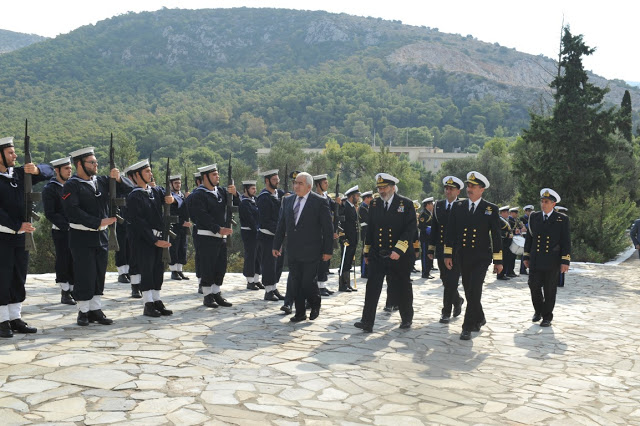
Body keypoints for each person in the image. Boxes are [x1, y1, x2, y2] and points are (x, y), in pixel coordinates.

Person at [62, 146, 133, 326]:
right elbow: (73, 211)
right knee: (84, 273)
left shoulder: (101, 181)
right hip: (81, 236)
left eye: (96, 162)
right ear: (80, 164)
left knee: (98, 273)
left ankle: (95, 309)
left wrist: (119, 179)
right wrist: (97, 222)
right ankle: (83, 311)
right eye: (91, 162)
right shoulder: (72, 185)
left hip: (100, 236)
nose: (96, 165)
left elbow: (130, 190)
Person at [0, 136, 54, 337]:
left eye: (14, 151)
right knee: (2, 277)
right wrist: (16, 225)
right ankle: (2, 320)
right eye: (10, 153)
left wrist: (38, 170)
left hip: (21, 235)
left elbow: (50, 171)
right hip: (3, 235)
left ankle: (15, 317)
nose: (15, 156)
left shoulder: (20, 174)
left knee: (18, 276)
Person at [355, 173, 417, 333]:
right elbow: (371, 229)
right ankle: (367, 321)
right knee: (372, 287)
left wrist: (398, 250)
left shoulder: (406, 204)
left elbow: (410, 230)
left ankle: (406, 318)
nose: (382, 191)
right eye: (379, 188)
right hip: (378, 254)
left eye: (384, 187)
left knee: (402, 286)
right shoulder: (374, 204)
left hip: (399, 256)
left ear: (393, 187)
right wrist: (367, 252)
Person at [444, 171, 503, 340]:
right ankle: (480, 317)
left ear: (482, 189)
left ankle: (467, 327)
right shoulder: (459, 206)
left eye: (473, 186)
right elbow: (450, 232)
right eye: (468, 186)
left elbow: (496, 236)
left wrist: (498, 261)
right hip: (462, 256)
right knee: (469, 292)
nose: (469, 189)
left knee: (475, 290)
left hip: (481, 257)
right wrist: (448, 254)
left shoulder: (490, 209)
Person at [273, 172, 333, 322]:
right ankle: (300, 313)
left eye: (300, 183)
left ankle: (315, 303)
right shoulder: (287, 201)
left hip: (312, 249)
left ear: (309, 186)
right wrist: (277, 244)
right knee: (296, 281)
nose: (296, 186)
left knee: (307, 281)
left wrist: (328, 250)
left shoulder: (319, 202)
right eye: (295, 183)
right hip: (293, 249)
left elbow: (328, 228)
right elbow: (281, 225)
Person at [125, 160, 174, 317]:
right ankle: (148, 303)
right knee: (147, 270)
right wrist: (153, 240)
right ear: (137, 175)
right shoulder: (134, 197)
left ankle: (157, 299)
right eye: (147, 172)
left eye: (150, 171)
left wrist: (170, 198)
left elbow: (169, 197)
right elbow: (139, 223)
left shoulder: (153, 192)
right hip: (144, 240)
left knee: (157, 271)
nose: (150, 174)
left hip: (158, 237)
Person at [188, 164, 238, 309]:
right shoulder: (198, 195)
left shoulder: (221, 191)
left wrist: (235, 194)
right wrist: (217, 229)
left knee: (220, 266)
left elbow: (237, 205)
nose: (218, 177)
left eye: (217, 174)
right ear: (205, 177)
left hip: (220, 236)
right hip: (206, 235)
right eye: (214, 175)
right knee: (207, 266)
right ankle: (207, 295)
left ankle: (216, 293)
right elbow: (201, 216)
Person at [523, 189, 571, 327]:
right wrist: (526, 255)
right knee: (533, 285)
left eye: (547, 202)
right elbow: (530, 238)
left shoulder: (561, 219)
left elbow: (566, 241)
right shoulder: (535, 217)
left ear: (553, 204)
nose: (543, 204)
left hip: (552, 260)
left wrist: (565, 261)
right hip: (536, 259)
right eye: (542, 201)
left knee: (550, 289)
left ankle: (547, 317)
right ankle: (538, 310)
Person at [427, 175, 465, 324]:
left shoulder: (463, 206)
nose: (448, 191)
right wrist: (431, 249)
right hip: (442, 250)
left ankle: (446, 312)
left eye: (451, 189)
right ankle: (458, 300)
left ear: (458, 191)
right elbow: (435, 228)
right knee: (445, 280)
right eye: (446, 188)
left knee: (452, 281)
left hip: (457, 251)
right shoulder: (439, 205)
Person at [42, 157, 76, 305]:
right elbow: (50, 213)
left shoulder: (73, 185)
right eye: (66, 168)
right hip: (61, 230)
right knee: (63, 259)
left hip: (76, 229)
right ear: (57, 170)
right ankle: (65, 291)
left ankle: (74, 288)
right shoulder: (50, 188)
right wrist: (67, 224)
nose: (70, 171)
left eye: (70, 168)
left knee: (75, 259)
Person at [256, 169, 286, 302]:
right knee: (269, 263)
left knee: (277, 264)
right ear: (267, 181)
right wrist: (279, 232)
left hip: (278, 235)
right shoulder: (263, 197)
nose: (277, 182)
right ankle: (268, 290)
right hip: (268, 235)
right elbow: (266, 220)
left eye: (277, 179)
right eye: (274, 180)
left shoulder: (278, 194)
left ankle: (273, 287)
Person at [313, 174, 337, 295]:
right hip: (318, 233)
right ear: (318, 184)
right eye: (325, 183)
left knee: (325, 262)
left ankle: (322, 285)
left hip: (326, 233)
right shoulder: (314, 197)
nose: (327, 185)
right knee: (319, 261)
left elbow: (334, 209)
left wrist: (338, 203)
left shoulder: (326, 197)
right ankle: (317, 285)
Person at [239, 180, 262, 290]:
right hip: (249, 232)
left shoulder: (254, 200)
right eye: (252, 188)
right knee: (251, 255)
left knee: (258, 256)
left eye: (255, 188)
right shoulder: (244, 203)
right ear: (245, 190)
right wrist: (257, 229)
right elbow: (249, 219)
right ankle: (250, 280)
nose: (255, 190)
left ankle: (256, 279)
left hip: (257, 231)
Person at [168, 174, 191, 280]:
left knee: (183, 247)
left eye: (179, 183)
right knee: (174, 248)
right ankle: (173, 270)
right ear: (171, 184)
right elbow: (172, 212)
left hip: (183, 226)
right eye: (176, 183)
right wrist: (182, 222)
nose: (178, 185)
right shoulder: (169, 197)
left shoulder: (183, 196)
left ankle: (179, 269)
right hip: (174, 225)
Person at [338, 185, 360, 292]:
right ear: (352, 196)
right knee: (344, 261)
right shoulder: (345, 207)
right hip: (347, 240)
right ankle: (342, 285)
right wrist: (343, 238)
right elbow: (341, 223)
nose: (358, 198)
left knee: (349, 262)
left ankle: (347, 283)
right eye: (357, 196)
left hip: (353, 239)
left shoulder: (351, 207)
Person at [418, 197, 435, 279]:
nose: (432, 205)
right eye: (431, 203)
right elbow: (420, 225)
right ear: (427, 204)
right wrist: (427, 228)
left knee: (429, 254)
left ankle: (428, 271)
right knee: (425, 255)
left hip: (430, 237)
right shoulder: (423, 214)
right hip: (425, 237)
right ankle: (425, 273)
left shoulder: (429, 213)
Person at [358, 190, 373, 279]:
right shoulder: (362, 208)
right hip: (365, 232)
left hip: (369, 231)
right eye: (370, 197)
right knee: (365, 251)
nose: (371, 199)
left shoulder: (368, 207)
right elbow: (367, 220)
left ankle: (367, 270)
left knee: (368, 251)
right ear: (366, 198)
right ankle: (364, 272)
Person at [496, 206, 513, 281]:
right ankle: (500, 274)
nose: (508, 214)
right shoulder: (499, 219)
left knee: (506, 258)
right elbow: (498, 231)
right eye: (506, 212)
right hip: (502, 242)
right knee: (503, 259)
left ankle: (503, 273)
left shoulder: (505, 220)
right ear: (502, 212)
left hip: (506, 242)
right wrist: (507, 235)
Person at [519, 205, 534, 275]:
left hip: (530, 237)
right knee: (524, 254)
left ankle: (525, 268)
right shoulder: (522, 219)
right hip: (524, 237)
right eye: (528, 211)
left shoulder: (533, 218)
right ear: (525, 211)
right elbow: (522, 228)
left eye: (530, 211)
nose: (529, 212)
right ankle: (522, 269)